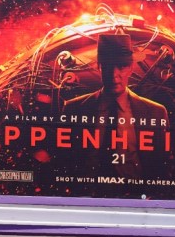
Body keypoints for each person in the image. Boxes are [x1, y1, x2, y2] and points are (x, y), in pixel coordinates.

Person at [62, 33, 168, 178]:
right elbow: (66, 162)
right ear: (99, 67)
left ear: (131, 68)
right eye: (108, 67)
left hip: (135, 195)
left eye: (121, 67)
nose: (114, 75)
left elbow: (160, 167)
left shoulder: (156, 113)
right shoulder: (73, 109)